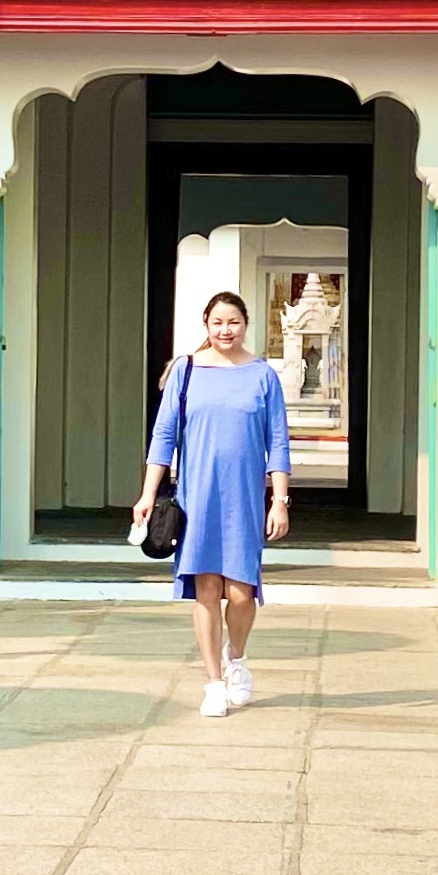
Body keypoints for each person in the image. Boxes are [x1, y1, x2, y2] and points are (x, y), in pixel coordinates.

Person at [130, 288, 292, 716]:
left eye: (233, 322)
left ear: (245, 325)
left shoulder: (263, 376)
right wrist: (148, 494)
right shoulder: (185, 373)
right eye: (217, 322)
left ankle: (236, 659)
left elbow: (278, 442)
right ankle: (213, 682)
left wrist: (279, 500)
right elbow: (163, 438)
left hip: (244, 498)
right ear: (206, 325)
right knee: (206, 588)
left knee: (241, 592)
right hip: (197, 496)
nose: (226, 330)